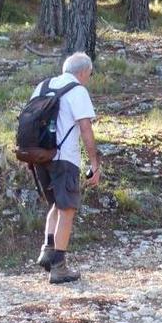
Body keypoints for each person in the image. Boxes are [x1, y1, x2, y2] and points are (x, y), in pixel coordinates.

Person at [31, 52, 101, 284]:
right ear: (82, 72)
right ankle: (59, 268)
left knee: (55, 205)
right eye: (89, 75)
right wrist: (94, 163)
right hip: (64, 158)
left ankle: (47, 250)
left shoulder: (43, 85)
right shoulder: (77, 91)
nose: (88, 79)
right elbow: (85, 128)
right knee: (67, 209)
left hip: (39, 155)